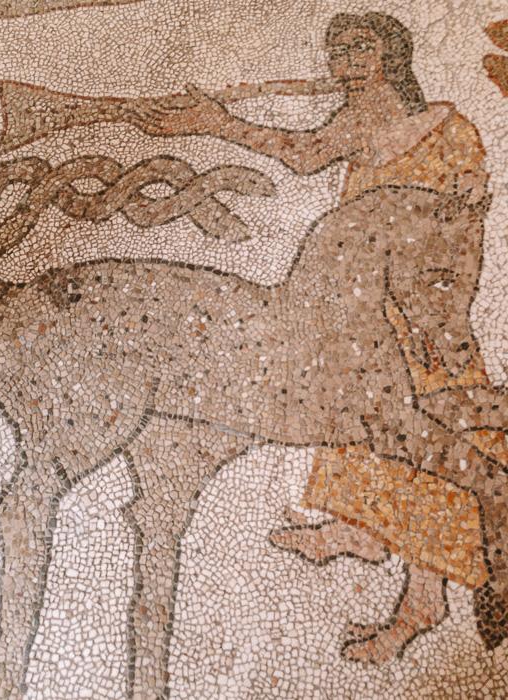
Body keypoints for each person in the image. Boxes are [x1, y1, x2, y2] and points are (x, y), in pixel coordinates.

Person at [132, 11, 505, 662]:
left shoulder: (446, 127)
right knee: (352, 415)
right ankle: (364, 527)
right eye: (337, 51)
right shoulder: (352, 124)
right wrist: (219, 124)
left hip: (419, 306)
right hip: (363, 294)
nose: (344, 62)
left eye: (360, 48)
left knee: (430, 445)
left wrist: (219, 122)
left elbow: (462, 225)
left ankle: (420, 602)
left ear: (392, 55)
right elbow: (303, 155)